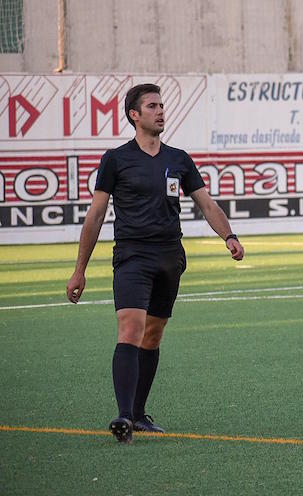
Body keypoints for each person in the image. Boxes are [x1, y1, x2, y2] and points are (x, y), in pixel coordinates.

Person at [66, 83, 245, 443]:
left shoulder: (178, 158)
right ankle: (122, 417)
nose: (160, 111)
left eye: (162, 105)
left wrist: (229, 236)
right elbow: (96, 214)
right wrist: (79, 269)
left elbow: (206, 204)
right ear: (135, 115)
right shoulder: (115, 159)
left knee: (153, 334)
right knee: (130, 330)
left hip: (170, 258)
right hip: (132, 256)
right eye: (152, 106)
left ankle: (137, 413)